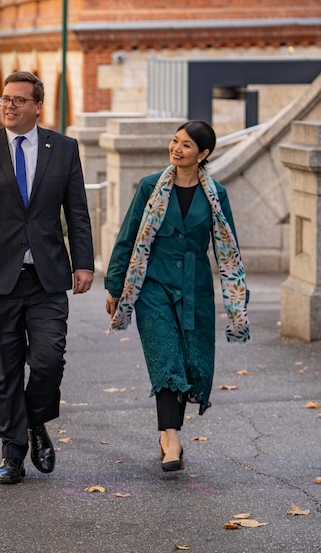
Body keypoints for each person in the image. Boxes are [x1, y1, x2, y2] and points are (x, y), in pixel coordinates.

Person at [0, 71, 95, 485]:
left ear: (37, 106)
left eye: (18, 100)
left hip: (47, 275)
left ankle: (35, 421)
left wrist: (83, 263)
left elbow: (77, 211)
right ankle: (13, 451)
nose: (9, 106)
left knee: (49, 359)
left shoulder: (63, 149)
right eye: (4, 99)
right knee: (5, 370)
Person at [104, 120, 249, 472]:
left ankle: (172, 432)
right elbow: (127, 236)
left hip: (195, 286)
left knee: (189, 362)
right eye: (174, 141)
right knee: (166, 357)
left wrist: (237, 300)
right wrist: (115, 284)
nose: (176, 148)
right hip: (152, 283)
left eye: (186, 145)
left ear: (203, 154)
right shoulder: (150, 187)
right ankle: (170, 438)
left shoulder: (217, 194)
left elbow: (228, 249)